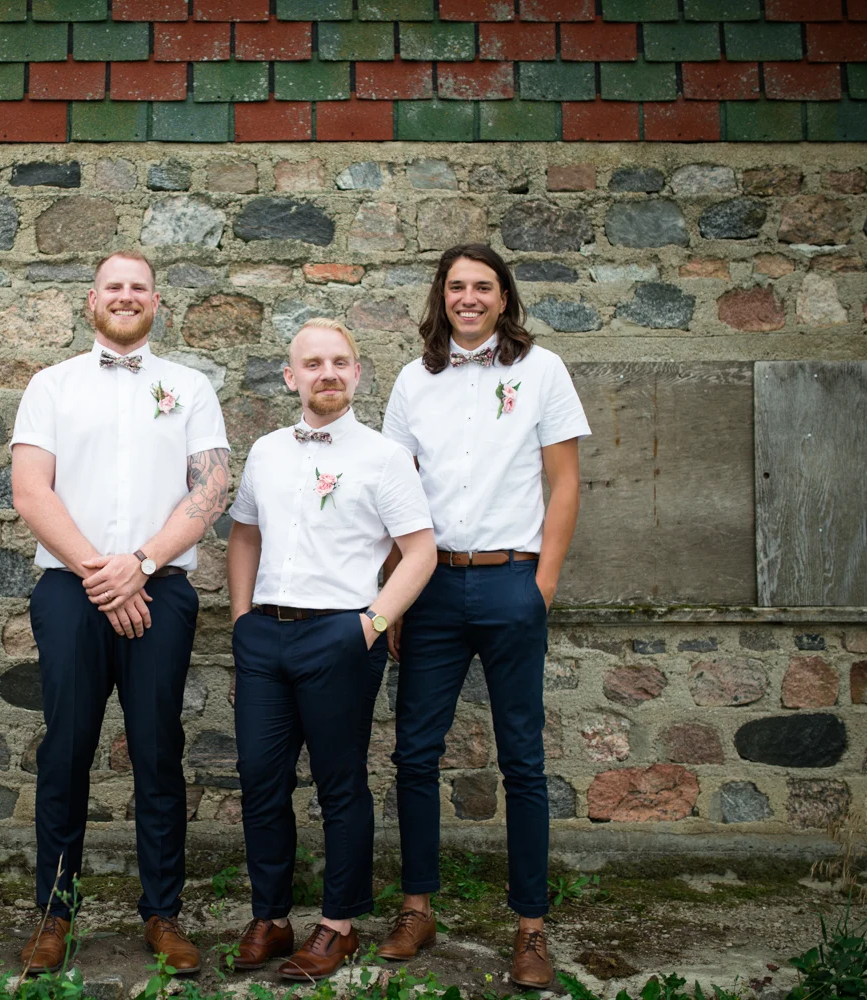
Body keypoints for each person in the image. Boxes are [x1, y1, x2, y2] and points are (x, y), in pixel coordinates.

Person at [10, 251, 230, 975]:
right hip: (70, 588)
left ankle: (163, 912)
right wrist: (101, 573)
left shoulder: (189, 386)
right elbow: (31, 492)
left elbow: (210, 490)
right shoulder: (51, 385)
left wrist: (140, 563)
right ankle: (54, 914)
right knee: (67, 750)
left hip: (159, 587)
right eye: (114, 286)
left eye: (139, 287)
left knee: (158, 750)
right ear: (91, 300)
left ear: (156, 302)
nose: (126, 296)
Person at [378, 243, 589, 990]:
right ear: (442, 296)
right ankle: (417, 910)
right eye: (457, 286)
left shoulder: (543, 371)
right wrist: (393, 591)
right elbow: (395, 490)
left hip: (511, 581)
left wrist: (543, 585)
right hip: (431, 585)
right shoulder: (414, 379)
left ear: (504, 298)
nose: (469, 298)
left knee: (522, 760)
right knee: (414, 754)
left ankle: (530, 927)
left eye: (484, 287)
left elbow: (565, 483)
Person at [224, 319, 437, 982]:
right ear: (291, 377)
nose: (328, 373)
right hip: (265, 635)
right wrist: (241, 620)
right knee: (260, 778)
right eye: (313, 363)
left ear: (357, 373)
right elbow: (244, 534)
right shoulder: (266, 452)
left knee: (340, 784)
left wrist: (371, 624)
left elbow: (420, 550)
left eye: (340, 362)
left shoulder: (383, 456)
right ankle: (271, 917)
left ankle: (338, 926)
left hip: (340, 636)